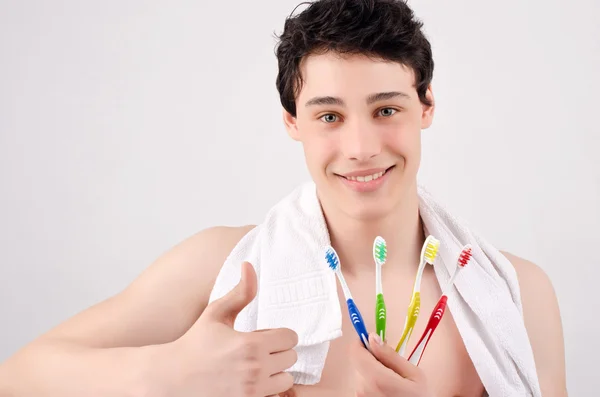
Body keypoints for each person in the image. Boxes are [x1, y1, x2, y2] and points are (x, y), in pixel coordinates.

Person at [0, 0, 567, 396]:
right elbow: (18, 377)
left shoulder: (518, 292)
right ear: (292, 123)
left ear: (427, 107)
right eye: (329, 116)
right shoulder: (222, 268)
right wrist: (167, 374)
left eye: (386, 109)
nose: (361, 147)